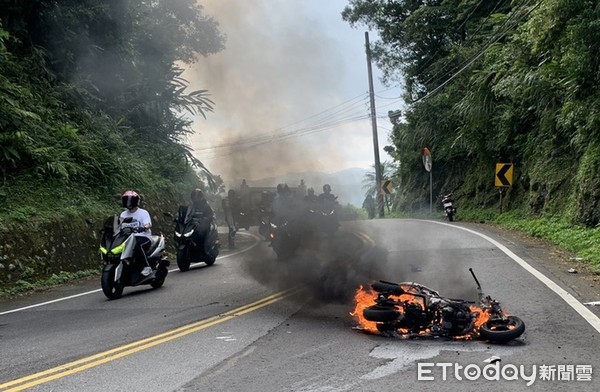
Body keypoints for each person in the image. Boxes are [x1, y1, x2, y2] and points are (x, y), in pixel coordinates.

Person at [119, 190, 153, 276]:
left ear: (136, 201)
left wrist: (143, 227)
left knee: (138, 246)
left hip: (143, 236)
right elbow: (119, 226)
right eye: (126, 199)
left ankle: (147, 267)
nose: (128, 202)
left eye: (130, 200)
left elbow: (148, 224)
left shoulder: (143, 213)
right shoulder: (123, 214)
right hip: (128, 238)